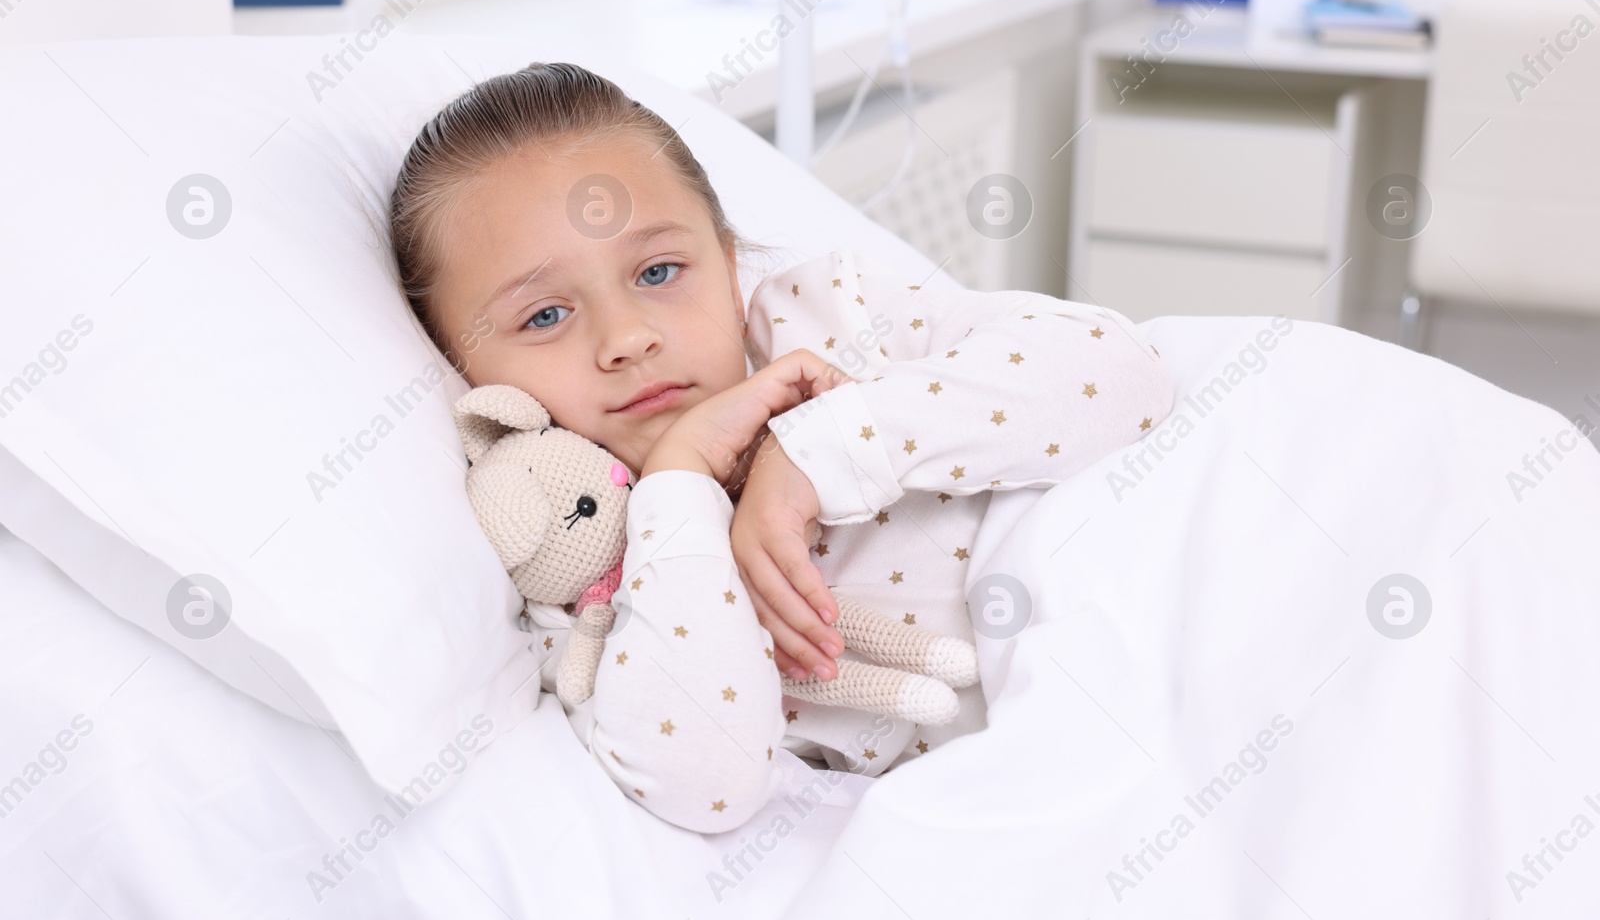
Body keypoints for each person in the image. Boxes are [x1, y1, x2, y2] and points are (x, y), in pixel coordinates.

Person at [389, 62, 1175, 833]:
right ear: (459, 370)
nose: (628, 336)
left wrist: (812, 454)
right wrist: (679, 486)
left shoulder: (827, 320)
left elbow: (1126, 376)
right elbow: (707, 785)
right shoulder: (580, 581)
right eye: (545, 316)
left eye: (659, 270)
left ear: (728, 272)